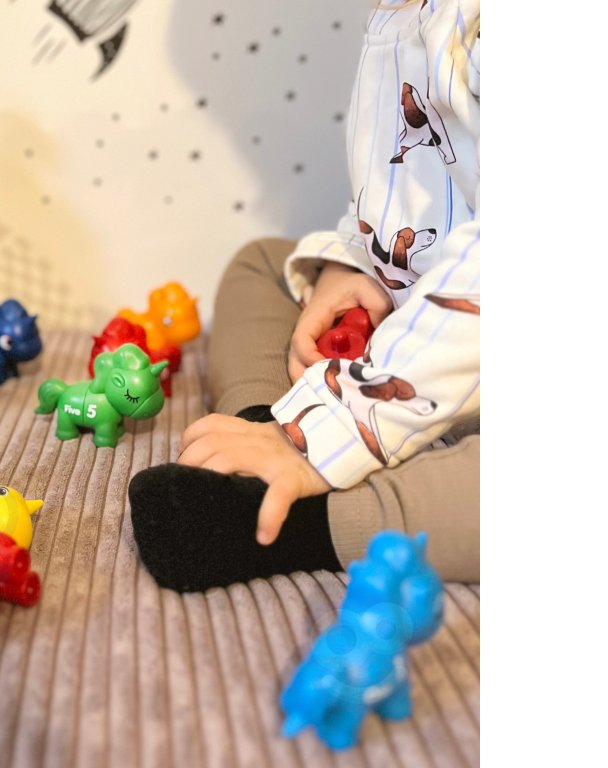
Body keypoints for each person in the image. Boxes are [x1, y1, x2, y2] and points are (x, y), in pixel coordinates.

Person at [128, 0, 480, 592]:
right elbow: (418, 192)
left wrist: (325, 429)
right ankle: (258, 435)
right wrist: (351, 265)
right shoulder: (402, 14)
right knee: (265, 263)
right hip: (429, 321)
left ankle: (306, 523)